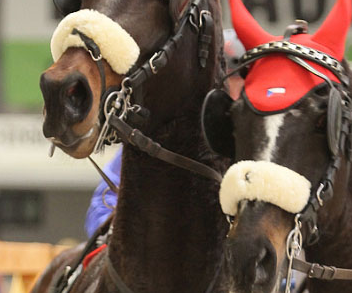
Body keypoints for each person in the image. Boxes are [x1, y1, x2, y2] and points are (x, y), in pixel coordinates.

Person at [84, 29, 245, 237]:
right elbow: (104, 202)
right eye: (218, 82)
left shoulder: (260, 140)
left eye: (233, 80)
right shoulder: (165, 132)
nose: (225, 93)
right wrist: (110, 230)